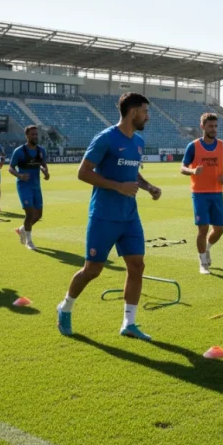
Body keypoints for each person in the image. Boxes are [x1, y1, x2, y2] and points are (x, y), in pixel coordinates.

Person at [56, 93, 162, 339]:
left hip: (130, 216)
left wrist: (148, 187)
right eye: (145, 112)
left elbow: (133, 174)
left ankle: (129, 323)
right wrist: (117, 186)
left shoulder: (138, 142)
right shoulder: (105, 138)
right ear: (133, 112)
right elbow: (82, 172)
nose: (148, 116)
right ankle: (65, 307)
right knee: (92, 270)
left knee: (137, 265)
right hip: (104, 216)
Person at [180, 113, 223, 275]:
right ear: (202, 127)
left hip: (217, 193)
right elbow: (182, 168)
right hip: (199, 193)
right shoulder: (193, 146)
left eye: (215, 126)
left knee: (220, 229)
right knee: (203, 228)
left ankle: (207, 249)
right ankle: (202, 262)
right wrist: (193, 170)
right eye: (210, 126)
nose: (214, 129)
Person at [9, 125, 50, 250]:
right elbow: (11, 168)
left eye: (36, 134)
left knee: (38, 215)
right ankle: (29, 241)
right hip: (24, 186)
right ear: (26, 136)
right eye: (32, 134)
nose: (35, 136)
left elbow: (43, 165)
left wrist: (45, 172)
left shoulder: (41, 150)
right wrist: (19, 175)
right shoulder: (19, 151)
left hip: (36, 186)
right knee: (30, 213)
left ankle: (22, 230)